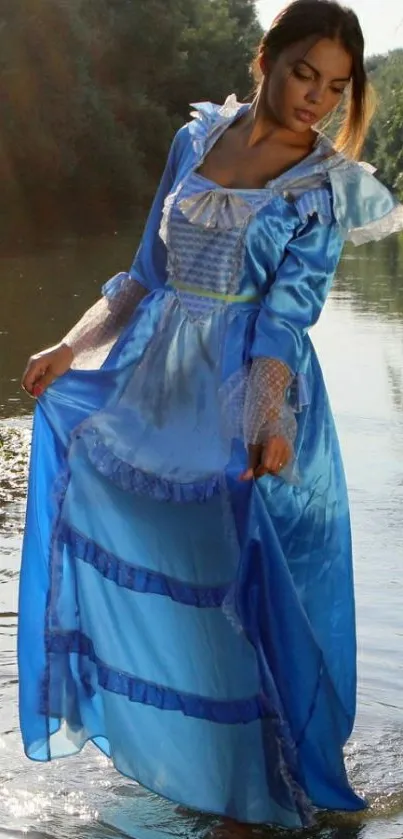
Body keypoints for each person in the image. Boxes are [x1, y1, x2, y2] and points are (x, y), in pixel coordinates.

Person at [18, 0, 403, 831]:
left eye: (335, 87)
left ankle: (259, 793)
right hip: (151, 389)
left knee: (239, 595)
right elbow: (140, 276)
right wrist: (66, 347)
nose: (315, 98)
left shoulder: (324, 188)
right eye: (304, 73)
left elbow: (284, 318)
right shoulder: (193, 140)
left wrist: (266, 420)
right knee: (172, 584)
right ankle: (195, 773)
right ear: (266, 58)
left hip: (246, 401)